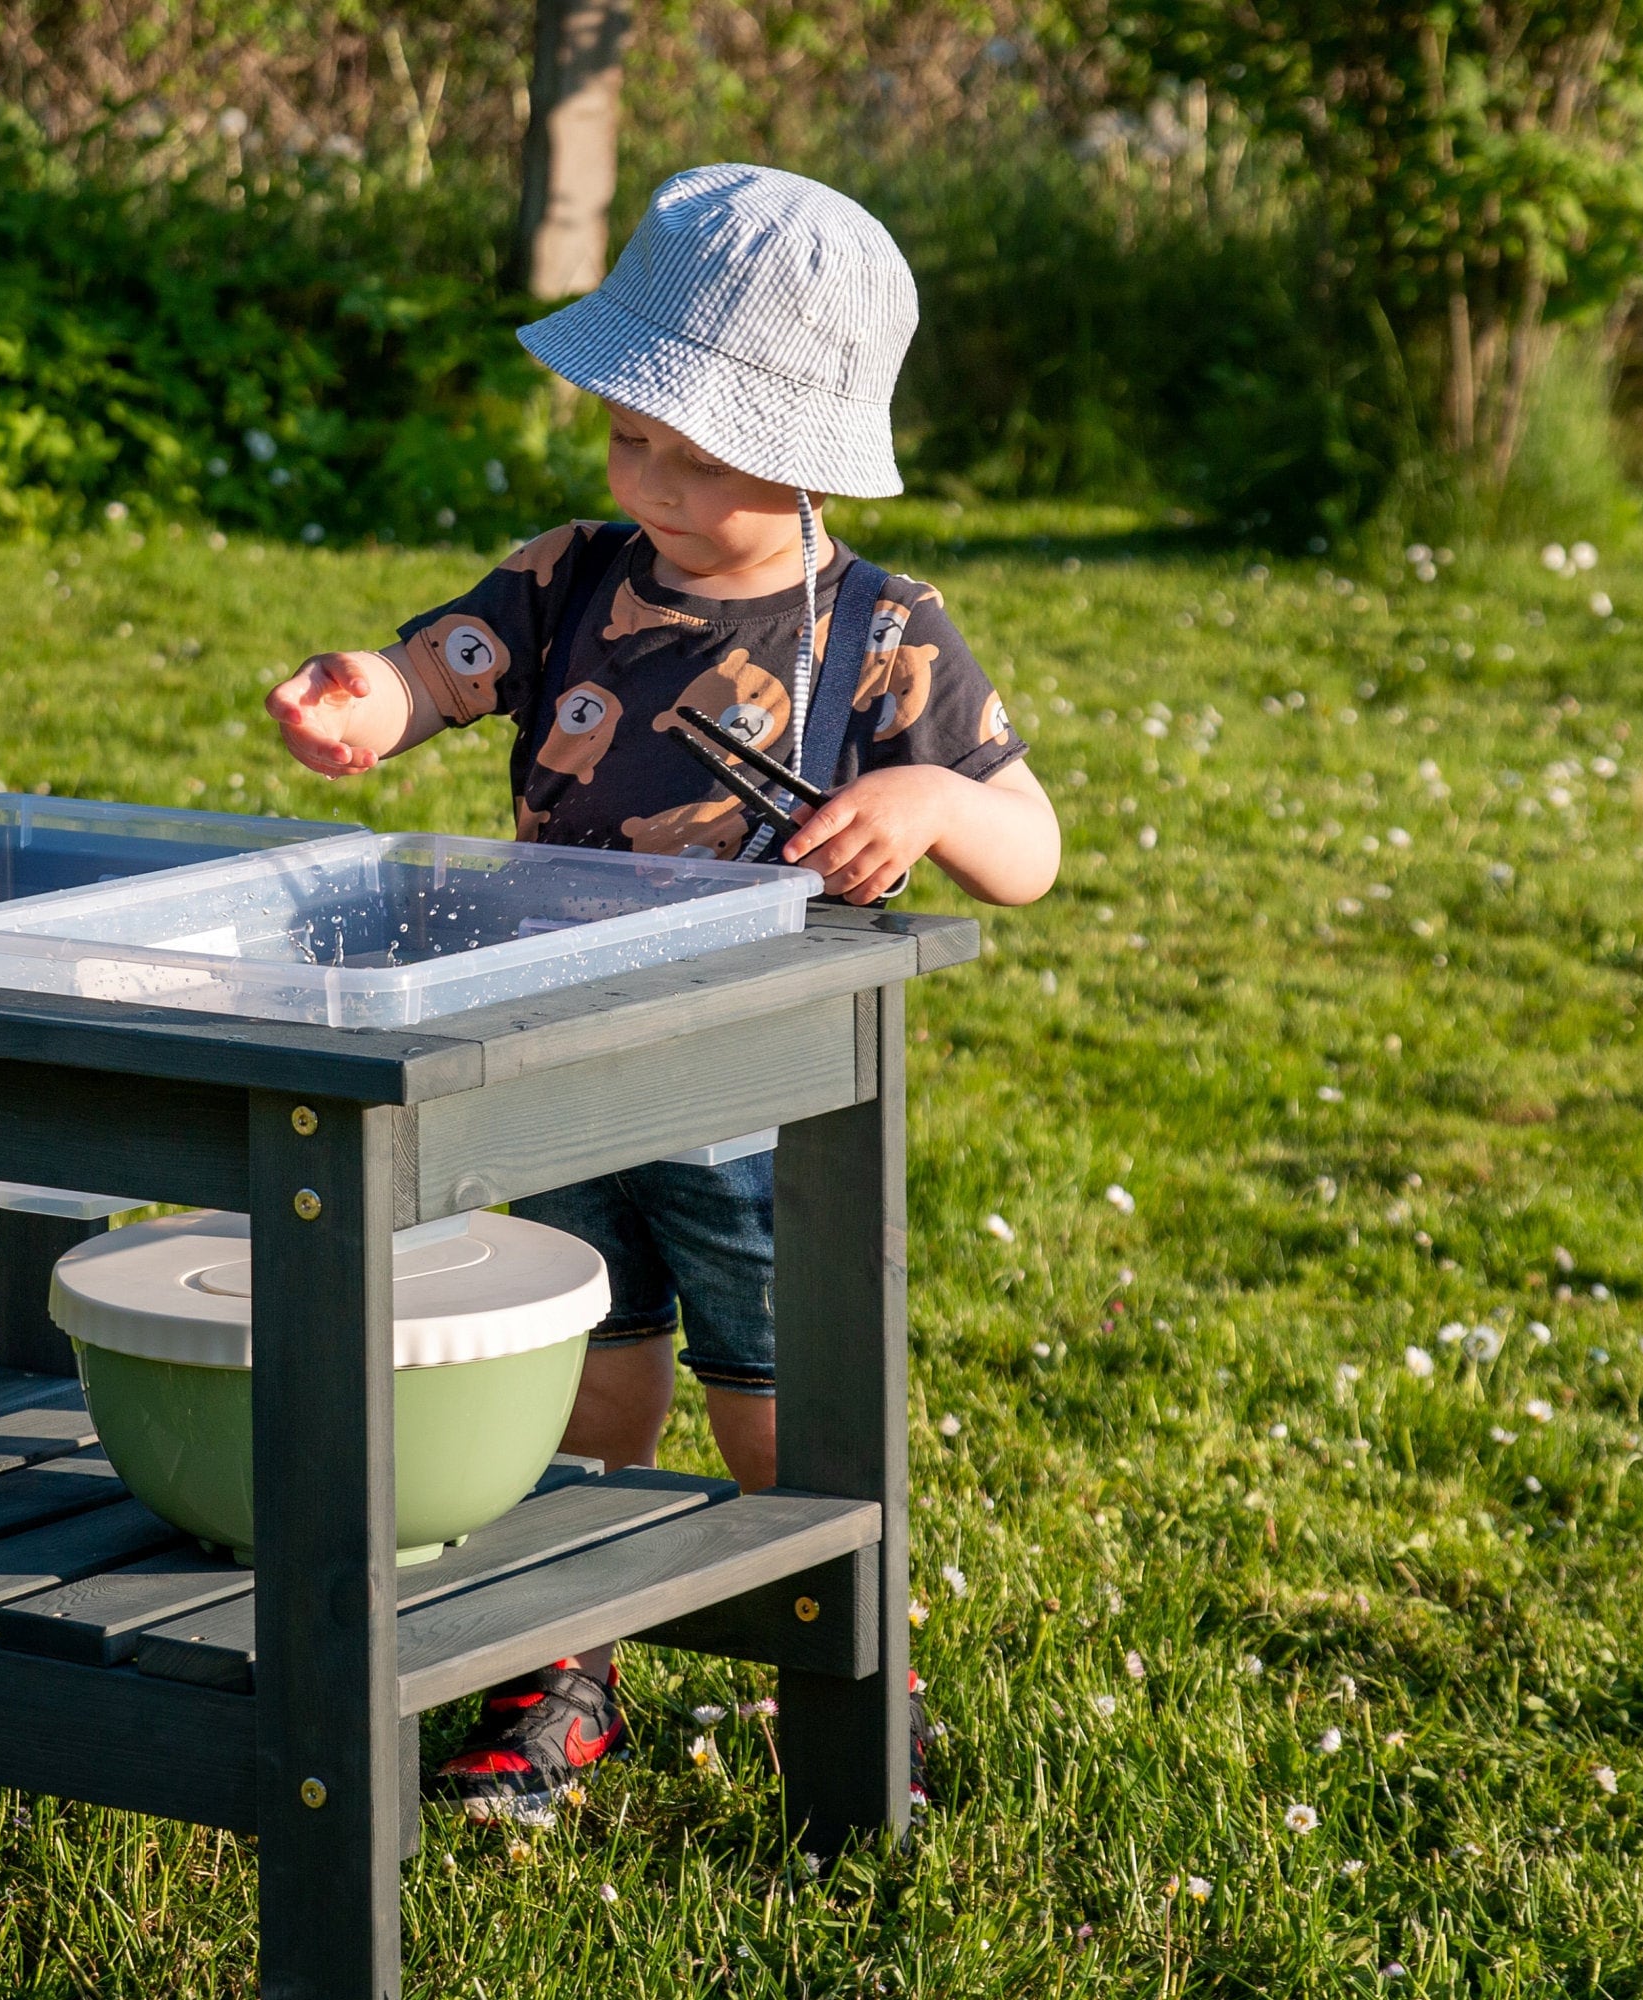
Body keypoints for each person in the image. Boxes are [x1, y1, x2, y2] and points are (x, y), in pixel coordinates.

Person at [264, 162, 1063, 1808]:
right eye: (635, 439)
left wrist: (927, 801)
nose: (658, 483)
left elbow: (1029, 844)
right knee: (575, 1372)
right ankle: (563, 1666)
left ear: (816, 455)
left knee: (773, 1399)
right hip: (550, 1059)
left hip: (756, 1097)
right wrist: (373, 699)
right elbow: (444, 672)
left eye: (703, 459)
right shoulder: (568, 575)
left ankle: (842, 1659)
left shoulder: (882, 632)